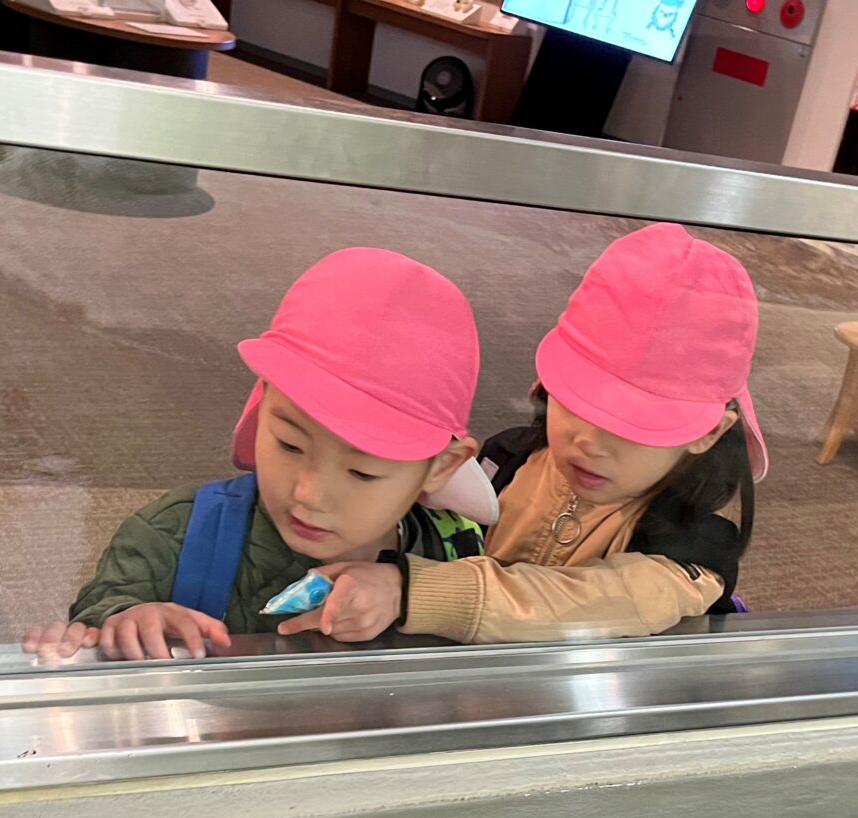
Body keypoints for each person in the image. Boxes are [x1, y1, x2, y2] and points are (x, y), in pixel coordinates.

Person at [277, 223, 766, 646]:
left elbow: (597, 603)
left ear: (708, 432)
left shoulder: (696, 546)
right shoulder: (508, 458)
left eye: (633, 426)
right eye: (576, 400)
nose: (589, 442)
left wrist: (413, 591)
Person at [24, 248, 493, 661]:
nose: (308, 494)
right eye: (289, 443)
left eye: (361, 472)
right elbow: (97, 620)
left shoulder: (460, 556)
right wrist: (125, 622)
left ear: (443, 466)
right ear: (261, 401)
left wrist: (412, 594)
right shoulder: (174, 536)